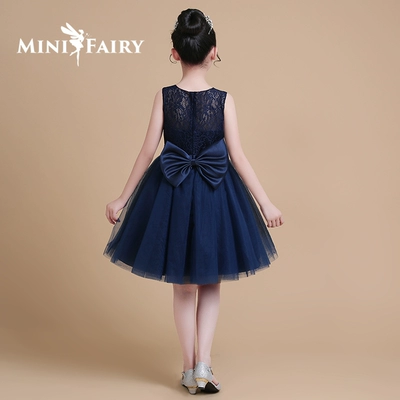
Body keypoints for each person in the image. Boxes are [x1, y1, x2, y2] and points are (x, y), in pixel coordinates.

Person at [103, 8, 284, 395]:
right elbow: (238, 156)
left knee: (183, 287)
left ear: (175, 53)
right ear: (213, 52)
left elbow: (147, 152)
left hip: (171, 194)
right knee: (210, 283)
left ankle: (189, 370)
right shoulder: (224, 100)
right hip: (217, 195)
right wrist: (265, 203)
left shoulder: (164, 97)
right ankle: (203, 365)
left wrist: (122, 198)